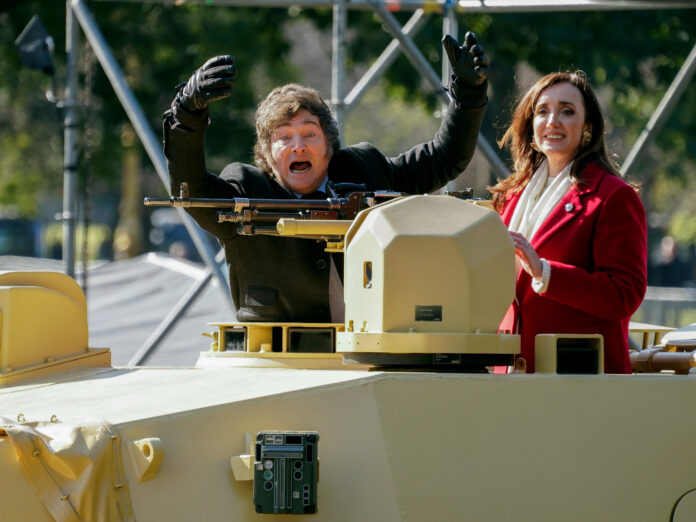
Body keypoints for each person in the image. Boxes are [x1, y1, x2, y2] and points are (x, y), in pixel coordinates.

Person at [163, 33, 489, 323]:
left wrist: (469, 95)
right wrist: (187, 113)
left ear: (329, 144)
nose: (298, 146)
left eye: (309, 133)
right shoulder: (248, 187)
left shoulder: (365, 169)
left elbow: (443, 159)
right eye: (284, 137)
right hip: (280, 359)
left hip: (371, 352)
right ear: (267, 151)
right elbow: (190, 190)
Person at [489, 71, 647, 374]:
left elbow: (625, 293)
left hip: (578, 378)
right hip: (512, 373)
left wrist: (545, 272)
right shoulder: (511, 196)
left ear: (587, 127)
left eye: (567, 111)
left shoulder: (613, 197)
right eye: (542, 111)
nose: (552, 121)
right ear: (530, 124)